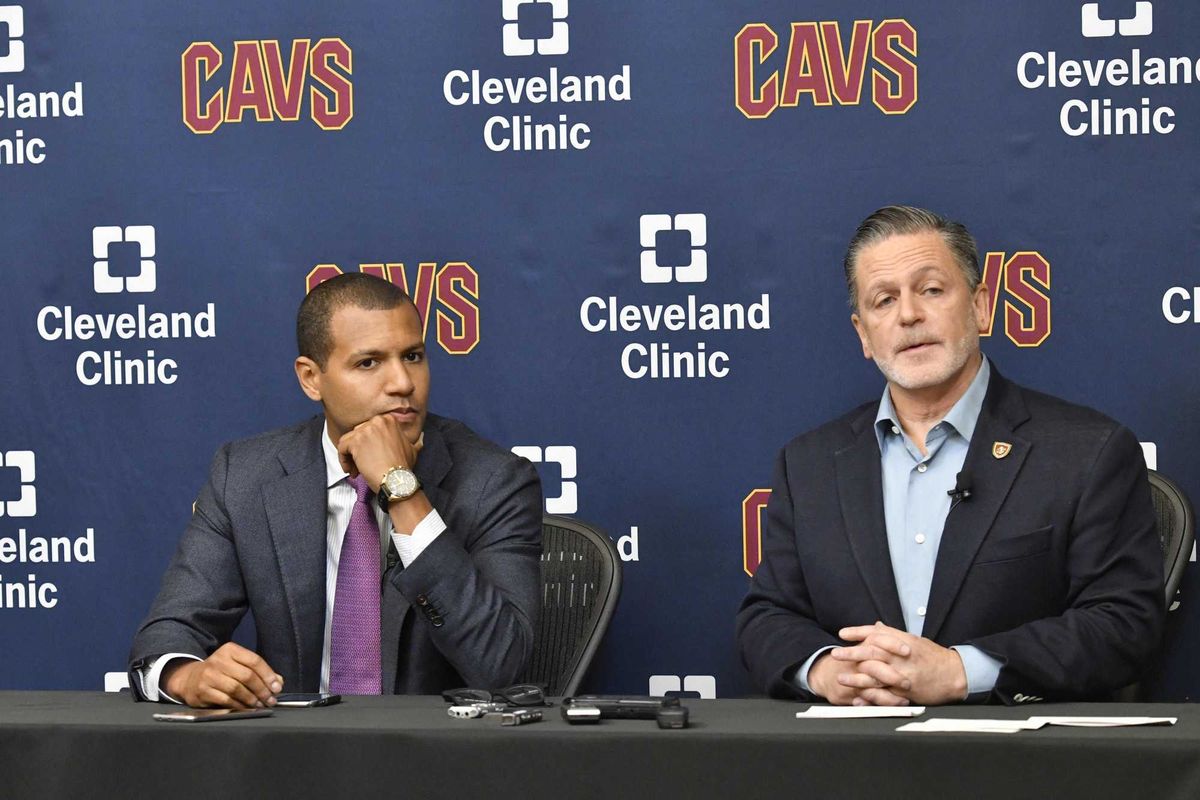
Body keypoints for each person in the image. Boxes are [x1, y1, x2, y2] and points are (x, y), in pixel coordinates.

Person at [736, 205, 1164, 705]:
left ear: (981, 307)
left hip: (1021, 763)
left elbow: (1124, 624)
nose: (908, 315)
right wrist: (830, 672)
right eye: (883, 300)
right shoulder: (807, 464)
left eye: (931, 290)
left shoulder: (1087, 451)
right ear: (863, 336)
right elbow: (767, 617)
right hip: (854, 765)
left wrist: (961, 672)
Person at [129, 273, 542, 707]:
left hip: (434, 758)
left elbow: (502, 665)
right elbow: (169, 631)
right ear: (311, 378)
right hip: (293, 756)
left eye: (413, 356)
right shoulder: (246, 476)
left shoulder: (494, 481)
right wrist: (186, 675)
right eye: (369, 363)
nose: (402, 382)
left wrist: (401, 491)